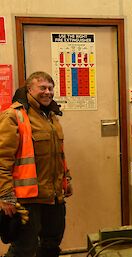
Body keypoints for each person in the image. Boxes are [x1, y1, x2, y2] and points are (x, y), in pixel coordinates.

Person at [0, 71, 73, 257]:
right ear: (29, 90)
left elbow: (58, 155)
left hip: (54, 197)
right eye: (42, 88)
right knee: (24, 249)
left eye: (50, 88)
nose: (47, 92)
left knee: (51, 245)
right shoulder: (13, 116)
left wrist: (67, 179)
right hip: (27, 199)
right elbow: (2, 159)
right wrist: (5, 195)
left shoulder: (51, 117)